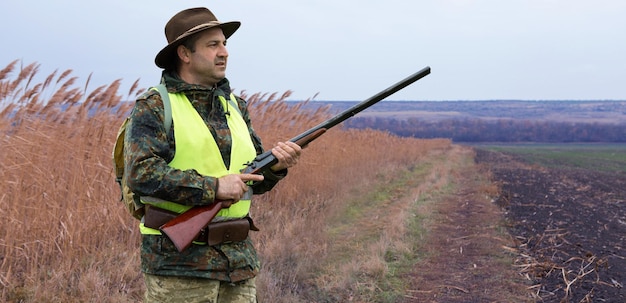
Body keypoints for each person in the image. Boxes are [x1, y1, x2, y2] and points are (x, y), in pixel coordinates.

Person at [123, 7, 302, 302]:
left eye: (225, 44)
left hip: (238, 264)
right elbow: (141, 174)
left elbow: (251, 179)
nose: (224, 52)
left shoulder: (235, 105)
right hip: (180, 268)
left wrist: (277, 167)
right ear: (184, 54)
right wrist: (214, 187)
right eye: (213, 45)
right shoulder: (155, 106)